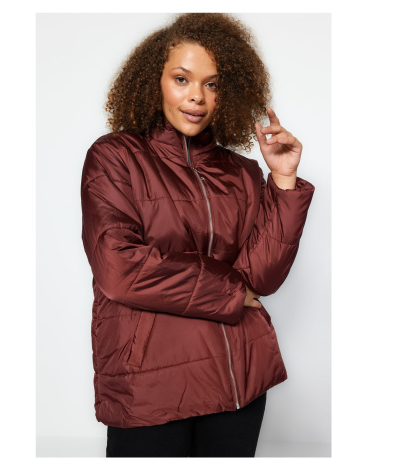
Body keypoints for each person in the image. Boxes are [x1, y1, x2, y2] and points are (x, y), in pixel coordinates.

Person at [81, 13, 315, 457]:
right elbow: (119, 268)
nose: (197, 96)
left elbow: (261, 279)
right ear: (154, 81)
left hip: (238, 379)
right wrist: (230, 291)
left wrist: (283, 181)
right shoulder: (115, 157)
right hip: (150, 384)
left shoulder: (243, 172)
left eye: (212, 84)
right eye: (182, 79)